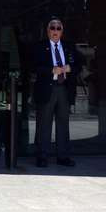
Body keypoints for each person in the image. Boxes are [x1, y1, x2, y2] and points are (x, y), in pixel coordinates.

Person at [31, 18, 80, 167]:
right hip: (48, 89)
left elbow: (79, 64)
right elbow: (34, 67)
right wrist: (51, 70)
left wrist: (70, 68)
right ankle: (42, 156)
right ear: (48, 31)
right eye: (52, 28)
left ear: (62, 32)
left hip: (64, 89)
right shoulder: (40, 47)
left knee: (63, 124)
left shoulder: (68, 47)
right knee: (44, 124)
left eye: (58, 28)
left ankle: (63, 156)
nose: (55, 31)